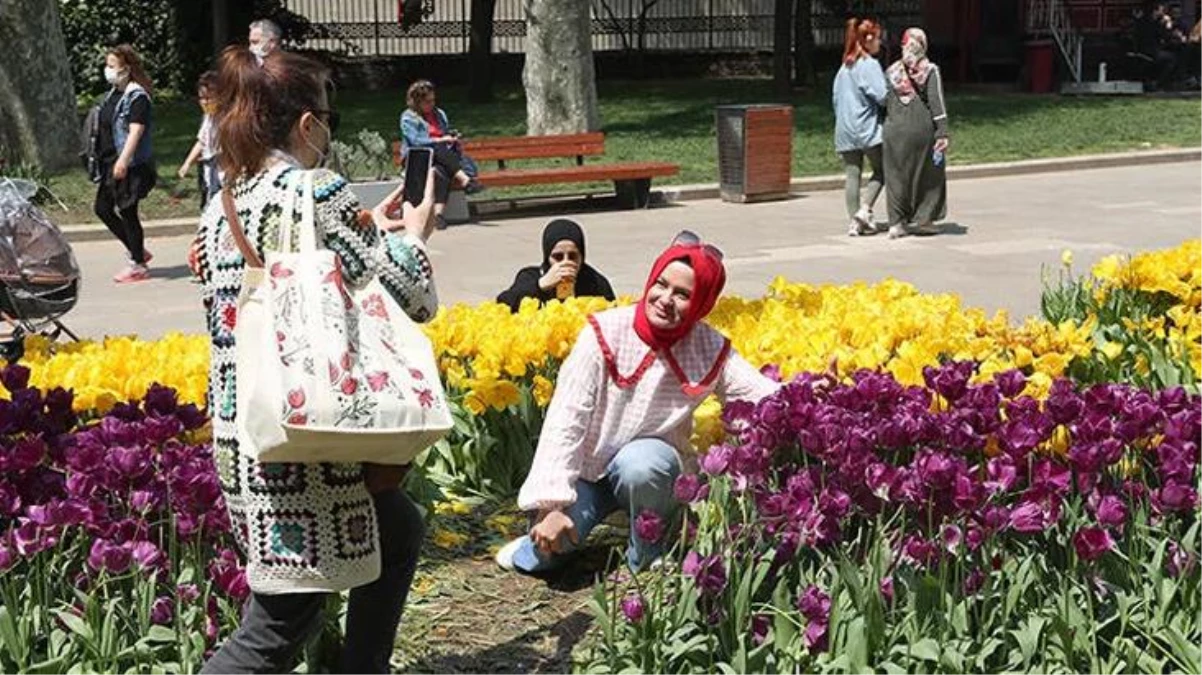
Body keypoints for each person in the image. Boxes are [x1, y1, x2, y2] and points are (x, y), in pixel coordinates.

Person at [195, 46, 440, 674]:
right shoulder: (317, 190)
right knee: (278, 627)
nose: (329, 128)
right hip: (308, 441)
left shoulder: (222, 203)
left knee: (398, 527)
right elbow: (413, 295)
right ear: (307, 124)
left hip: (250, 431)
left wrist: (363, 230)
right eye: (327, 114)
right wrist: (411, 233)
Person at [494, 231, 779, 575]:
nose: (665, 299)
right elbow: (566, 419)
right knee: (541, 559)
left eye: (683, 294)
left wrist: (818, 394)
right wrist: (549, 507)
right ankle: (542, 541)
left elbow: (761, 394)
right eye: (661, 284)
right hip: (586, 472)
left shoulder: (706, 346)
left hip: (647, 475)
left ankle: (647, 553)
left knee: (643, 464)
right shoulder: (606, 332)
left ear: (702, 303)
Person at [94, 44, 157, 284]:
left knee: (128, 211)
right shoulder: (113, 94)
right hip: (109, 162)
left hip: (128, 165)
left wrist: (123, 160)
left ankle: (138, 264)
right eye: (107, 65)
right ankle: (136, 248)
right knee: (102, 208)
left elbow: (135, 131)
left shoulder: (136, 96)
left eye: (112, 66)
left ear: (126, 69)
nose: (107, 70)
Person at [882, 28, 949, 239]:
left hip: (893, 130)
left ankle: (896, 223)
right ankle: (923, 219)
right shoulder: (929, 70)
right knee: (929, 174)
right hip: (922, 130)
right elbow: (936, 103)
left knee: (895, 176)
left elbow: (885, 102)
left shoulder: (892, 71)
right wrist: (943, 132)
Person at [399, 79, 481, 229]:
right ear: (417, 102)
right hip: (418, 157)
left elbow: (444, 133)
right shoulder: (408, 117)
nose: (432, 104)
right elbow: (416, 141)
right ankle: (465, 179)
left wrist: (451, 137)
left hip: (441, 159)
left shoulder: (439, 114)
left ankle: (438, 215)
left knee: (440, 171)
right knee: (435, 147)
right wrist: (440, 139)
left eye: (433, 100)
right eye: (427, 101)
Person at [833, 18, 888, 237]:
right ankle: (865, 210)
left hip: (845, 128)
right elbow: (883, 97)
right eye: (878, 38)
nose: (880, 43)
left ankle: (853, 222)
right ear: (869, 39)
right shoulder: (870, 65)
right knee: (883, 170)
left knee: (852, 174)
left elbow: (836, 99)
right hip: (866, 129)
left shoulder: (844, 68)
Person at [496, 219, 616, 312]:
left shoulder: (596, 282)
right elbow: (502, 306)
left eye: (573, 256)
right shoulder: (531, 276)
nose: (566, 262)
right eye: (558, 257)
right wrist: (540, 285)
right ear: (547, 256)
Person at [177, 71, 221, 210]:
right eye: (202, 98)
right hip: (208, 170)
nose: (205, 102)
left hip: (223, 171)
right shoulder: (208, 118)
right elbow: (201, 142)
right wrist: (187, 163)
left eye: (209, 98)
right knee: (208, 203)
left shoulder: (227, 119)